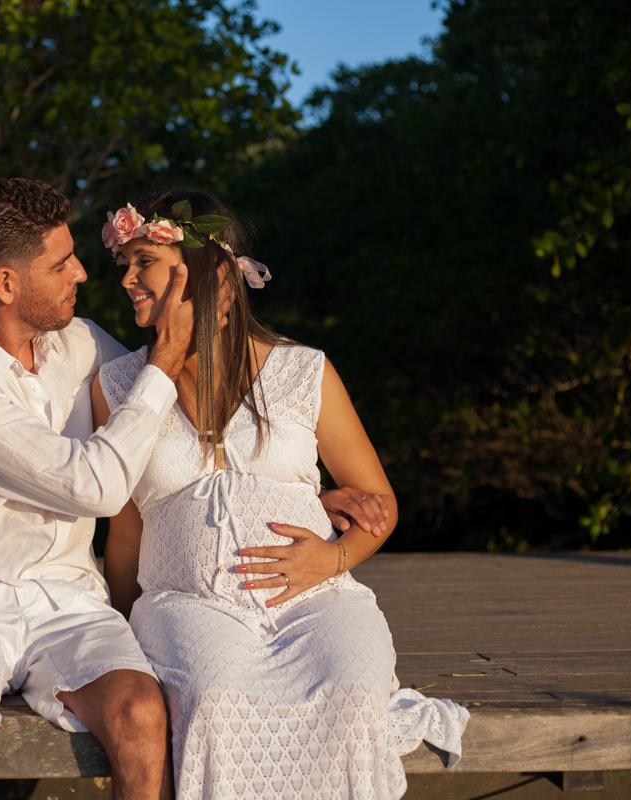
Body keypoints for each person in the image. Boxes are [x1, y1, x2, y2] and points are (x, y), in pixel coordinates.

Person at [92, 188, 469, 799]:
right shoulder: (117, 386)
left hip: (316, 602)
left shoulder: (303, 371)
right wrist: (116, 632)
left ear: (209, 272)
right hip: (190, 606)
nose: (127, 279)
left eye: (145, 262)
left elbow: (378, 502)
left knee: (351, 694)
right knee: (217, 702)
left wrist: (335, 558)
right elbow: (126, 534)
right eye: (126, 263)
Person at [0, 177, 196, 800]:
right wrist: (163, 361)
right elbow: (96, 484)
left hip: (72, 601)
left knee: (140, 712)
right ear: (5, 284)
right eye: (60, 264)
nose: (81, 272)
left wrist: (289, 487)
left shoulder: (80, 341)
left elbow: (168, 418)